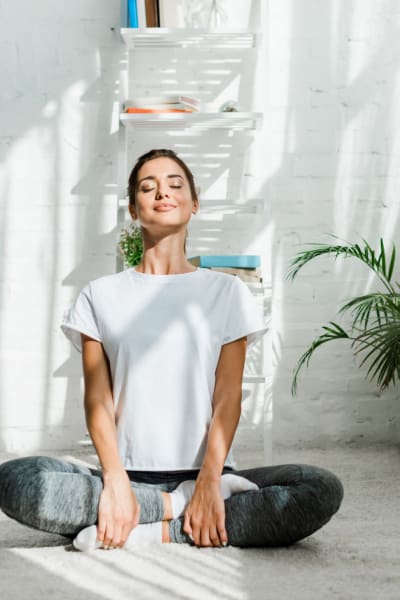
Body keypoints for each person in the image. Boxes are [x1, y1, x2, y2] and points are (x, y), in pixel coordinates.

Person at [0, 148, 344, 551]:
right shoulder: (99, 295)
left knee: (318, 488)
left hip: (210, 472)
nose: (163, 192)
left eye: (175, 184)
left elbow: (228, 397)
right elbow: (97, 399)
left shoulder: (227, 292)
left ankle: (153, 527)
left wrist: (209, 482)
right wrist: (114, 482)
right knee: (16, 480)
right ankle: (174, 506)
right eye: (148, 187)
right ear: (133, 208)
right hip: (126, 474)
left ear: (194, 203)